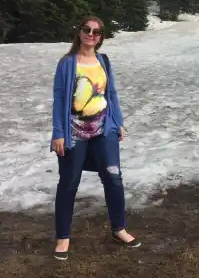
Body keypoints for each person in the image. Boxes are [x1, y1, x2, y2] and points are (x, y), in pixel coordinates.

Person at [50, 16, 140, 261]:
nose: (92, 34)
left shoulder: (103, 61)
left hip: (104, 130)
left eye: (97, 32)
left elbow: (111, 94)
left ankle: (119, 228)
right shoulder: (67, 63)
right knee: (69, 182)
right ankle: (63, 237)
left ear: (101, 36)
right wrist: (58, 133)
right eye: (87, 30)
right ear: (79, 32)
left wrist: (118, 122)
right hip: (74, 132)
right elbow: (59, 100)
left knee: (113, 178)